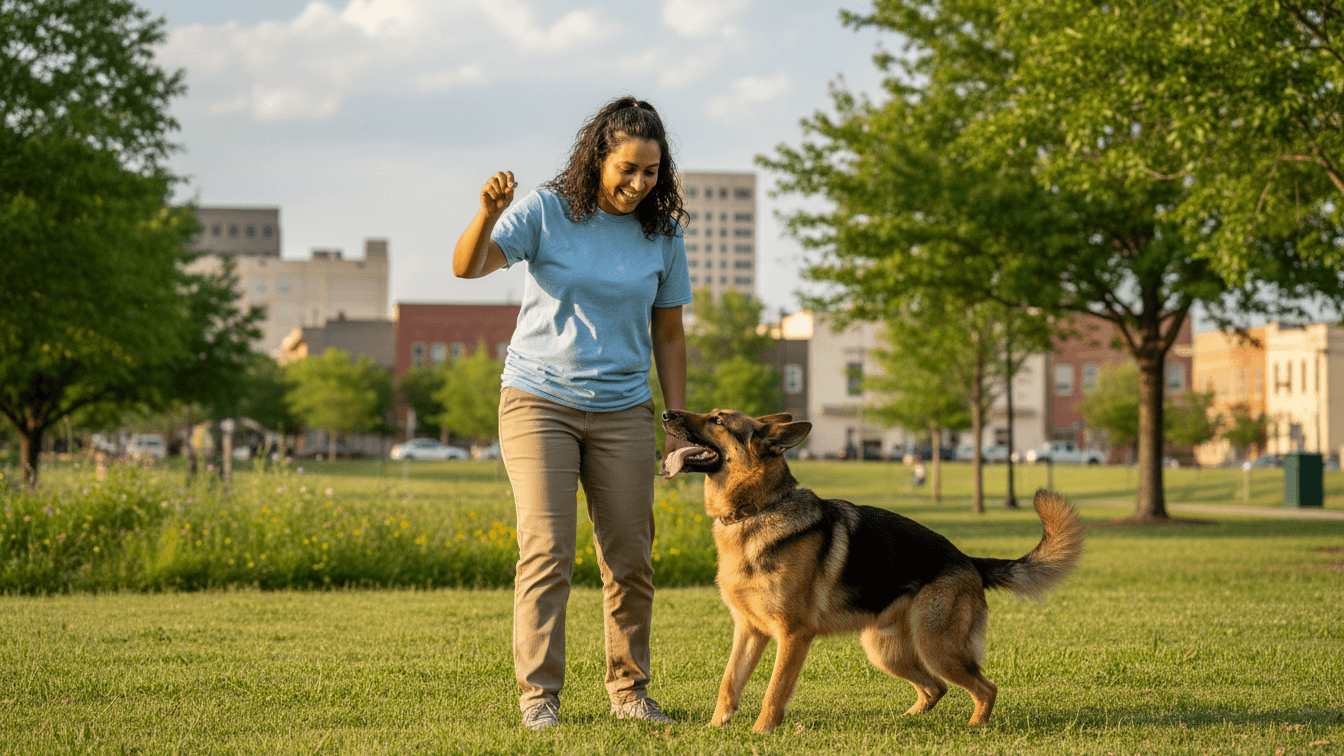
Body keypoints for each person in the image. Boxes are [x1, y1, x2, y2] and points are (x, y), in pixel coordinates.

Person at [452, 96, 691, 731]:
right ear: (597, 157)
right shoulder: (547, 210)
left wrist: (676, 420)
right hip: (538, 402)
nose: (639, 184)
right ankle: (539, 698)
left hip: (623, 410)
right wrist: (486, 215)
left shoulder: (662, 232)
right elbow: (467, 268)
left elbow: (668, 335)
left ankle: (629, 689)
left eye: (650, 173)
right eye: (627, 169)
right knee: (547, 550)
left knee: (630, 557)